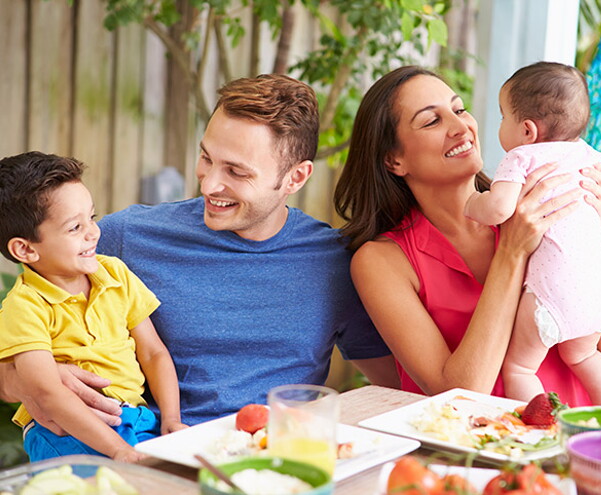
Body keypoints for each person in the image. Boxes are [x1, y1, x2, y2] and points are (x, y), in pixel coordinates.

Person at [0, 74, 397, 431]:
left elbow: (394, 386)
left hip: (276, 467)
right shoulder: (127, 237)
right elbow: (19, 328)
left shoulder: (334, 262)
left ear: (295, 177)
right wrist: (29, 379)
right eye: (207, 158)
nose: (209, 185)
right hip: (155, 458)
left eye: (237, 172)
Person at [334, 65, 601, 407]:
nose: (460, 126)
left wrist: (584, 236)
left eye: (459, 108)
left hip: (575, 449)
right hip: (476, 456)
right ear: (394, 160)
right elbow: (461, 394)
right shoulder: (383, 261)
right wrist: (512, 253)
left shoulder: (538, 211)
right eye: (432, 120)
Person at [0, 152, 187, 462]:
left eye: (92, 217)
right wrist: (118, 450)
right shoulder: (25, 307)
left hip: (137, 421)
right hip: (64, 430)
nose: (93, 232)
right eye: (75, 227)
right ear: (25, 249)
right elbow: (48, 393)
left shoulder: (114, 273)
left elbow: (153, 353)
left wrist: (170, 418)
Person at [462, 62, 601, 405]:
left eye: (503, 117)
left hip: (551, 297)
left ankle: (543, 426)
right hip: (597, 294)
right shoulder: (587, 156)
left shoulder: (521, 157)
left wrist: (472, 203)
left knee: (519, 368)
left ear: (528, 131)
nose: (499, 126)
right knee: (585, 356)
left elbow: (500, 208)